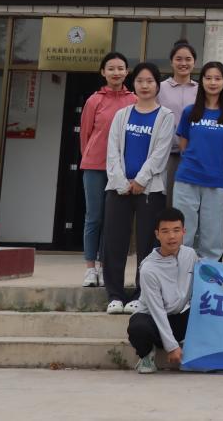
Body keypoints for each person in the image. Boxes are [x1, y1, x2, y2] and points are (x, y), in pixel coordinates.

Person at [103, 62, 175, 315]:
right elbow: (112, 150)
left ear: (157, 85)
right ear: (133, 84)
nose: (145, 86)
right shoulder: (122, 114)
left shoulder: (165, 116)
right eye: (140, 81)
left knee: (147, 243)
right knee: (114, 241)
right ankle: (114, 295)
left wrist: (141, 180)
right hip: (118, 189)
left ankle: (141, 294)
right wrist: (121, 181)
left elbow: (160, 153)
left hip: (149, 190)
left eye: (150, 81)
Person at [78, 51, 135, 288]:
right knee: (94, 217)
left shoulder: (133, 100)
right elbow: (85, 135)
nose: (116, 72)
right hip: (95, 166)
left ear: (127, 72)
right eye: (111, 68)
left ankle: (104, 266)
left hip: (120, 170)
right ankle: (90, 268)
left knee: (112, 220)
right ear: (103, 72)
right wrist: (91, 157)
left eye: (120, 68)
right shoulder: (94, 101)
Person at [171, 62, 223, 263]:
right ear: (202, 81)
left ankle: (207, 277)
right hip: (187, 179)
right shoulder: (190, 112)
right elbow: (183, 145)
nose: (213, 82)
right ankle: (180, 272)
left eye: (218, 78)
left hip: (216, 182)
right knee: (183, 232)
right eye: (208, 78)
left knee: (212, 238)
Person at [127, 207, 197, 374]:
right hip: (153, 319)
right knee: (138, 328)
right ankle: (146, 355)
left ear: (184, 232)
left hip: (178, 316)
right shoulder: (148, 269)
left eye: (176, 230)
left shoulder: (190, 254)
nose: (171, 236)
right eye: (165, 231)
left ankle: (197, 350)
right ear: (157, 234)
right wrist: (172, 347)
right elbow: (157, 311)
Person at [159, 40, 198, 199]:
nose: (183, 63)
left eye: (188, 59)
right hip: (166, 154)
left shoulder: (201, 90)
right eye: (178, 59)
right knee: (166, 198)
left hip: (192, 154)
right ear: (171, 62)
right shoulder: (160, 88)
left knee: (189, 200)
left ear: (194, 62)